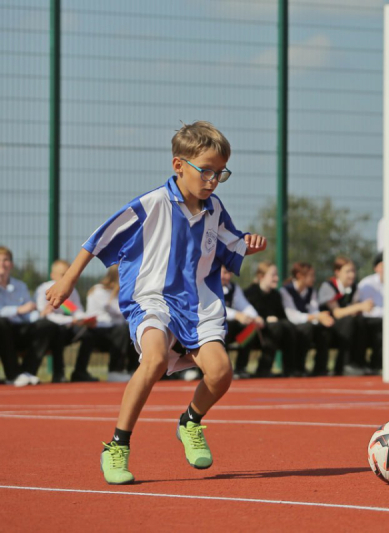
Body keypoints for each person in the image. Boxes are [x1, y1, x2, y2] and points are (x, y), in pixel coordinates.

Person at [45, 121, 266, 485]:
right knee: (155, 358)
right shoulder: (150, 204)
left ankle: (190, 421)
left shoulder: (215, 209)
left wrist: (251, 244)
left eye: (220, 173)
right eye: (206, 171)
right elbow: (97, 240)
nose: (212, 180)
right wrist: (68, 280)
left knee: (221, 372)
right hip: (152, 299)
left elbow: (233, 243)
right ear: (179, 165)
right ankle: (117, 446)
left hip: (198, 306)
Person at [0, 246, 58, 386]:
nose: (2, 263)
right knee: (1, 323)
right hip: (2, 331)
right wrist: (18, 310)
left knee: (47, 325)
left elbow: (28, 314)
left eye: (6, 260)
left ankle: (27, 372)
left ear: (11, 264)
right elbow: (18, 310)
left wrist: (40, 315)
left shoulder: (21, 286)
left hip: (20, 329)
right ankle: (12, 375)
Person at [34, 259, 98, 382]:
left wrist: (85, 320)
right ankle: (58, 374)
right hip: (49, 332)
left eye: (69, 273)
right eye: (63, 274)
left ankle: (80, 372)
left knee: (88, 333)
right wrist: (71, 320)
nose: (67, 278)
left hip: (68, 327)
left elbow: (77, 310)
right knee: (59, 331)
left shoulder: (71, 291)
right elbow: (46, 316)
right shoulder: (44, 290)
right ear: (53, 275)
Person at [241, 261, 303, 378]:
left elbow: (282, 317)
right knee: (276, 327)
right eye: (273, 275)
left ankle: (290, 369)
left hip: (274, 331)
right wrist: (265, 319)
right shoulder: (250, 293)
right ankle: (263, 369)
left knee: (288, 326)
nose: (277, 278)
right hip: (255, 332)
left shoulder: (276, 295)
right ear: (261, 276)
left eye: (277, 275)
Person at [317, 256, 373, 376]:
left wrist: (361, 308)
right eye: (348, 271)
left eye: (353, 271)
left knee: (361, 321)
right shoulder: (328, 286)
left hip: (346, 324)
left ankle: (359, 362)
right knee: (348, 322)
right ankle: (343, 364)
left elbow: (353, 310)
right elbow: (337, 313)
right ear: (337, 272)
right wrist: (359, 307)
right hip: (328, 326)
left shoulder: (354, 288)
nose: (352, 275)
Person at [280, 262, 334, 376]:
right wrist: (317, 317)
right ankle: (298, 367)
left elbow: (314, 311)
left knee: (323, 329)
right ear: (300, 275)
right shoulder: (285, 291)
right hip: (292, 327)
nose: (314, 279)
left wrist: (322, 318)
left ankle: (320, 368)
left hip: (307, 324)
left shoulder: (311, 291)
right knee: (306, 328)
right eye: (311, 275)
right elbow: (293, 316)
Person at [86, 265, 138, 382]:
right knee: (122, 330)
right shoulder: (99, 290)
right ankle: (115, 370)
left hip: (116, 330)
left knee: (133, 330)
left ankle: (133, 369)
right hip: (98, 330)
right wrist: (116, 292)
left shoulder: (123, 292)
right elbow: (116, 311)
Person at [220, 266, 264, 380]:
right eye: (225, 272)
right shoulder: (207, 286)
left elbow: (244, 305)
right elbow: (213, 307)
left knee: (250, 328)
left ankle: (240, 368)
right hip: (211, 327)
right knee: (225, 326)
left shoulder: (234, 288)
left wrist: (255, 317)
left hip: (230, 328)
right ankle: (219, 368)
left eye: (230, 273)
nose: (228, 276)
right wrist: (236, 315)